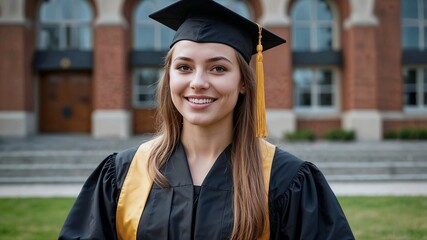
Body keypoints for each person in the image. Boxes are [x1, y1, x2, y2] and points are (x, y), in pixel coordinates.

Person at [59, 0, 354, 239]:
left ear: (243, 83)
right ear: (169, 77)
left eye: (218, 69)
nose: (198, 82)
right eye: (184, 67)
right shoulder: (122, 174)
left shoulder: (286, 180)